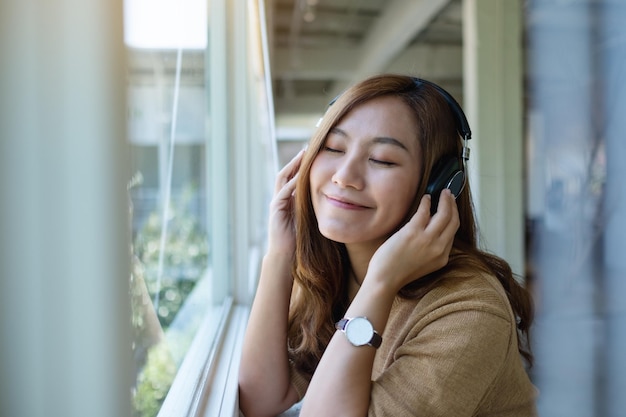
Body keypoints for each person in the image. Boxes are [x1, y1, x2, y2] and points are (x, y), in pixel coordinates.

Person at [238, 74, 537, 417]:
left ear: (440, 186)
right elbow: (259, 400)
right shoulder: (330, 270)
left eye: (382, 159)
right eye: (333, 148)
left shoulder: (469, 309)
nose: (344, 176)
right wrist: (279, 255)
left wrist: (381, 282)